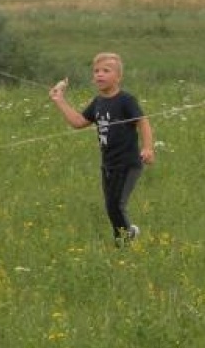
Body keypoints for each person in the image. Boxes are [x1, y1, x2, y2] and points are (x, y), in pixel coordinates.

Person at [49, 52, 156, 245]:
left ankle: (123, 243)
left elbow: (143, 122)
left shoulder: (126, 100)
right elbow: (78, 122)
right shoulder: (98, 102)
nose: (99, 74)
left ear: (118, 77)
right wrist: (59, 100)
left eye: (106, 71)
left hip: (128, 163)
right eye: (96, 71)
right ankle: (128, 233)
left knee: (116, 205)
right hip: (108, 164)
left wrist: (148, 148)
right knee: (111, 206)